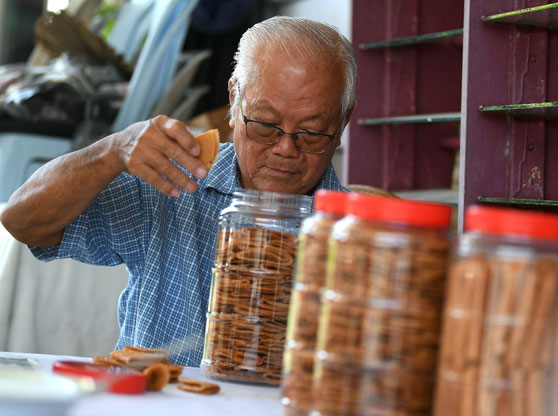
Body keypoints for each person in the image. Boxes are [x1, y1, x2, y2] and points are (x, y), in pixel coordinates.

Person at [0, 16, 356, 366]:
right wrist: (112, 152)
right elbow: (23, 222)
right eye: (265, 124)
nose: (285, 149)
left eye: (311, 132)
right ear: (235, 99)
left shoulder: (358, 235)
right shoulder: (173, 177)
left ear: (342, 123)